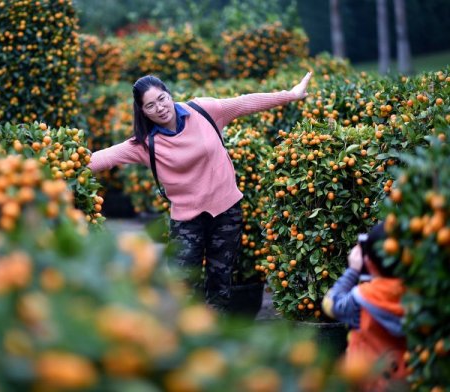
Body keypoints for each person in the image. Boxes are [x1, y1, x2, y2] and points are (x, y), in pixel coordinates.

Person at [88, 72, 312, 310]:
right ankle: (189, 339)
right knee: (183, 288)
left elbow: (244, 102)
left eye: (162, 99)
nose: (160, 108)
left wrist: (291, 95)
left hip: (226, 212)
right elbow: (102, 158)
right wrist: (58, 165)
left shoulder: (204, 111)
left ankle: (216, 341)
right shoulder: (145, 143)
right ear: (143, 111)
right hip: (187, 222)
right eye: (151, 105)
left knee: (220, 286)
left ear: (170, 94)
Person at [322, 222, 408, 391]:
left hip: (367, 382)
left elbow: (330, 304)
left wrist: (353, 271)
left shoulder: (361, 301)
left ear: (368, 262)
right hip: (406, 381)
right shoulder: (419, 296)